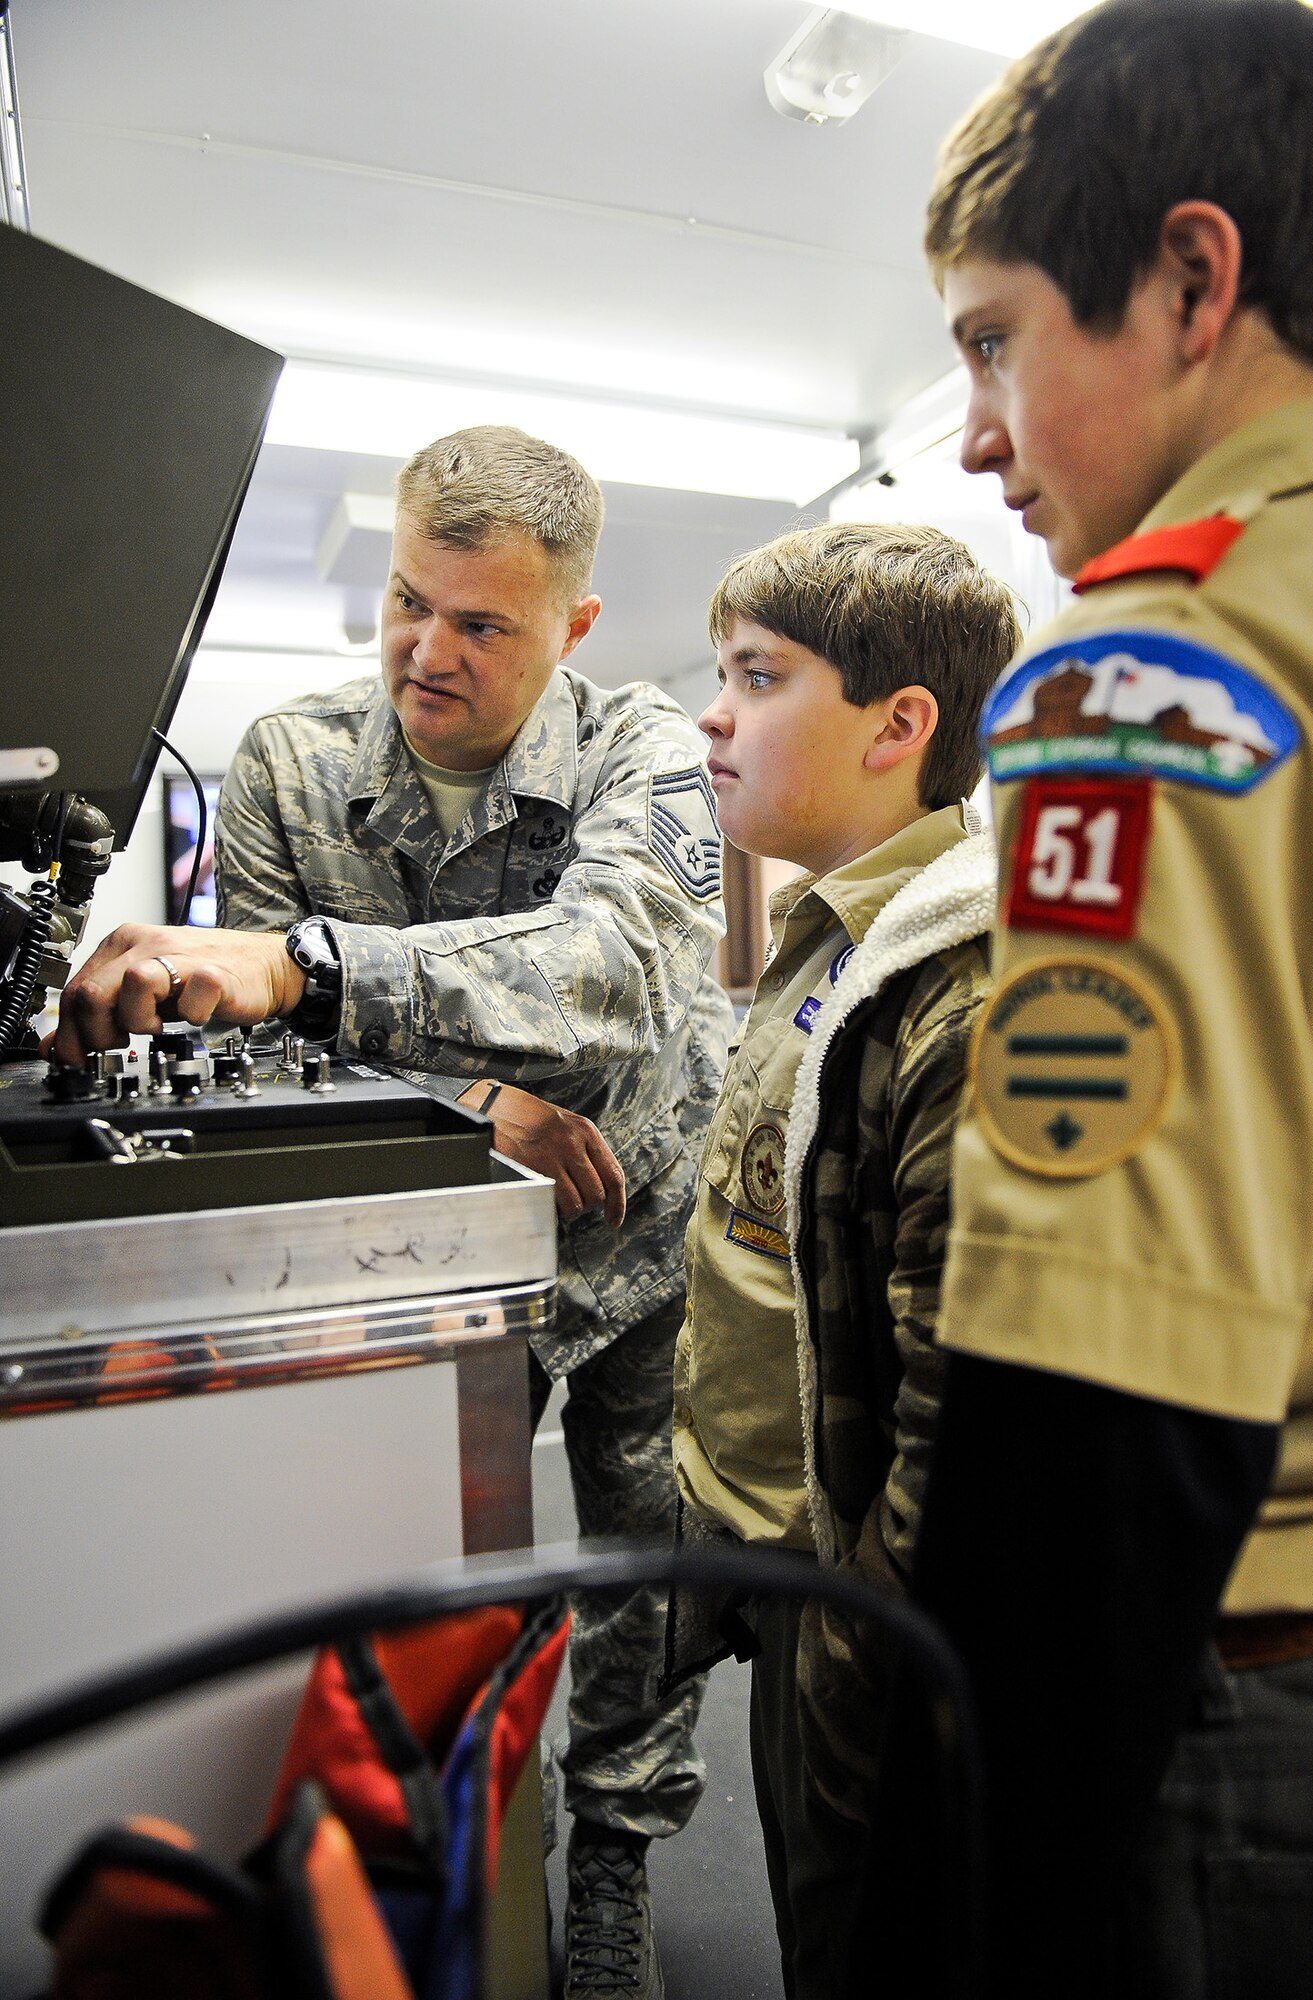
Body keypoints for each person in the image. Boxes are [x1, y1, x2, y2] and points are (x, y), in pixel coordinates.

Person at [54, 424, 734, 2000]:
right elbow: (245, 1051)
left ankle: (619, 1864)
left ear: (571, 626)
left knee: (642, 1575)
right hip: (425, 1252)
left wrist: (321, 969)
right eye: (408, 602)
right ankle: (463, 1859)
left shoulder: (645, 751)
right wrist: (470, 1100)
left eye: (483, 623)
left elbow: (613, 972)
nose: (429, 651)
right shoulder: (296, 758)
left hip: (638, 1235)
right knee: (432, 1580)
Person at [858, 4, 1313, 1995]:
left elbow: (1099, 1397)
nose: (974, 431)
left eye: (994, 336)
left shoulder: (1152, 672)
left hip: (1233, 1706)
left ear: (1191, 279)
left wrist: (975, 1869)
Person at [665, 522, 1019, 1999]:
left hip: (861, 1620)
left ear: (899, 725)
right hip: (783, 1573)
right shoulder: (827, 938)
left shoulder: (965, 984)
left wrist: (859, 1677)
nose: (714, 711)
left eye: (760, 675)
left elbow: (960, 1417)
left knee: (869, 1944)